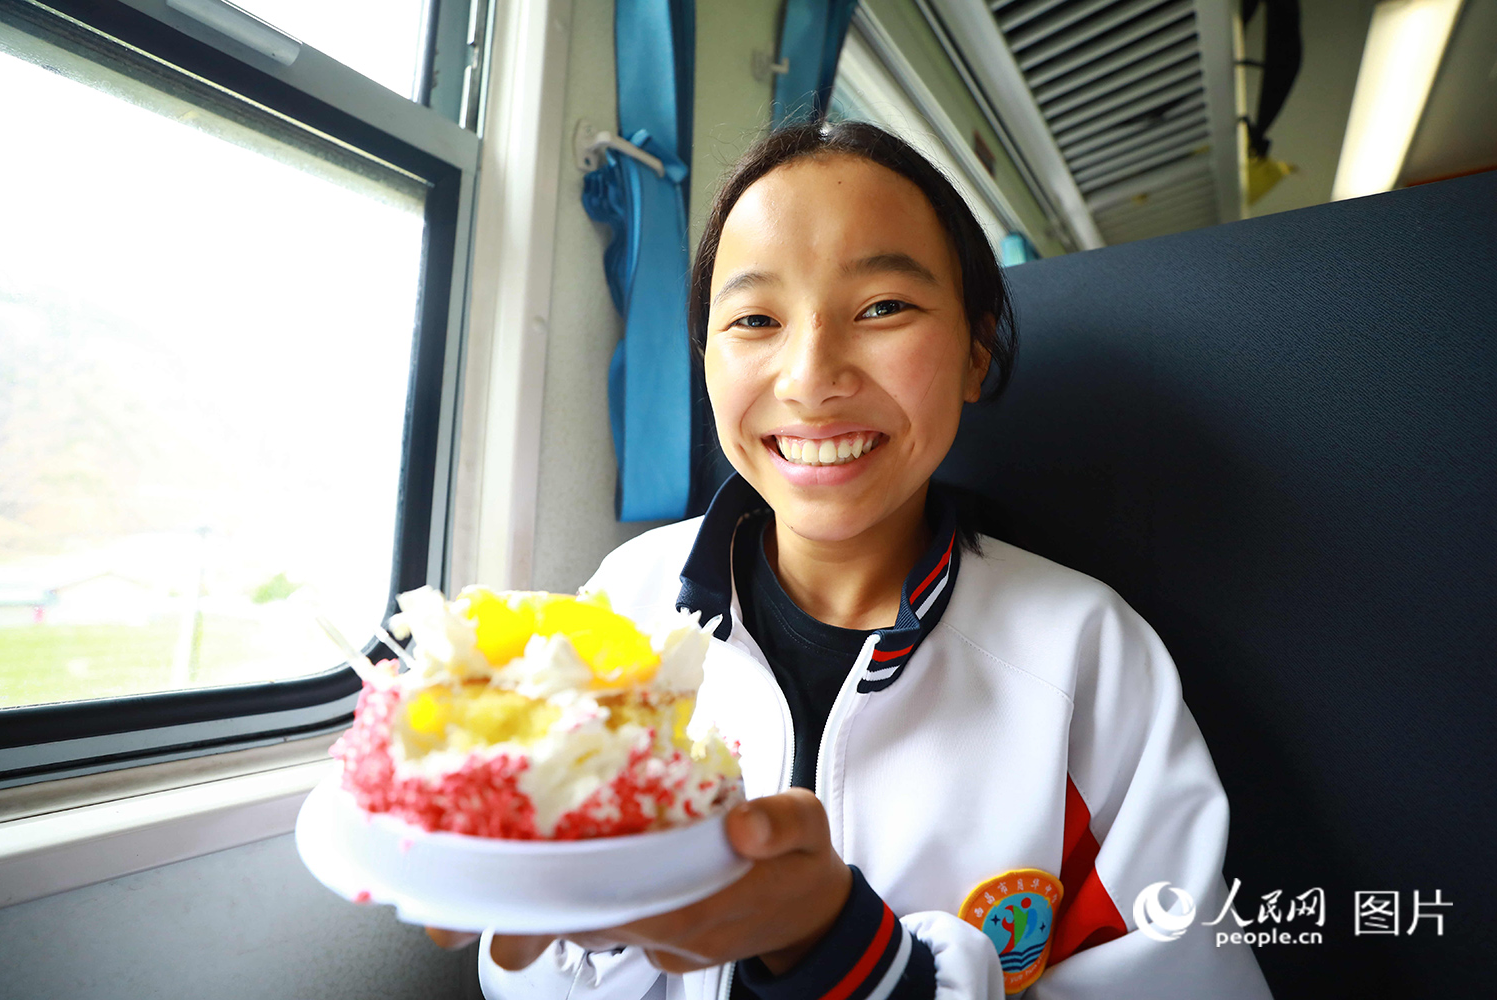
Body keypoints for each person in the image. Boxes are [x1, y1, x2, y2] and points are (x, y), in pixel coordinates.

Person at [444, 120, 1274, 999]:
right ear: (707, 363)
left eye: (882, 307)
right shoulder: (621, 609)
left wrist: (859, 964)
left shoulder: (1087, 657)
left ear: (974, 350)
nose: (809, 376)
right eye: (755, 319)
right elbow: (533, 973)